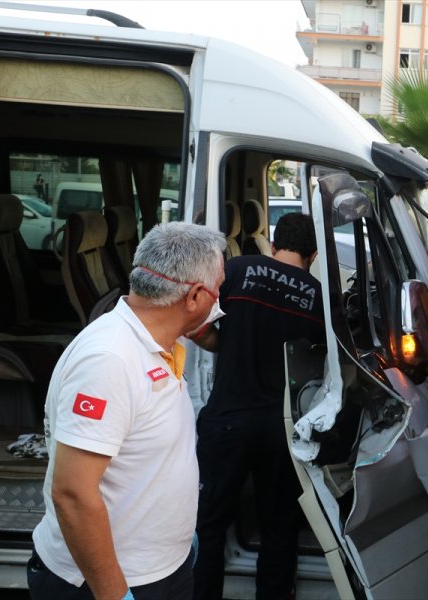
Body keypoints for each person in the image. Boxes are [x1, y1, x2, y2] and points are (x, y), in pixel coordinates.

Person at [28, 222, 227, 600]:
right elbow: (72, 493)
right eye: (219, 289)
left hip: (161, 567)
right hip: (108, 583)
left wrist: (177, 542)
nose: (221, 301)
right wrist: (115, 595)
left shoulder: (158, 343)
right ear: (196, 296)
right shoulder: (110, 360)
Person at [192, 212, 325, 600]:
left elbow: (193, 319)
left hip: (227, 421)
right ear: (313, 253)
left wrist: (222, 344)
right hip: (280, 430)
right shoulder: (317, 297)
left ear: (273, 242)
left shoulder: (237, 269)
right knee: (278, 527)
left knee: (209, 524)